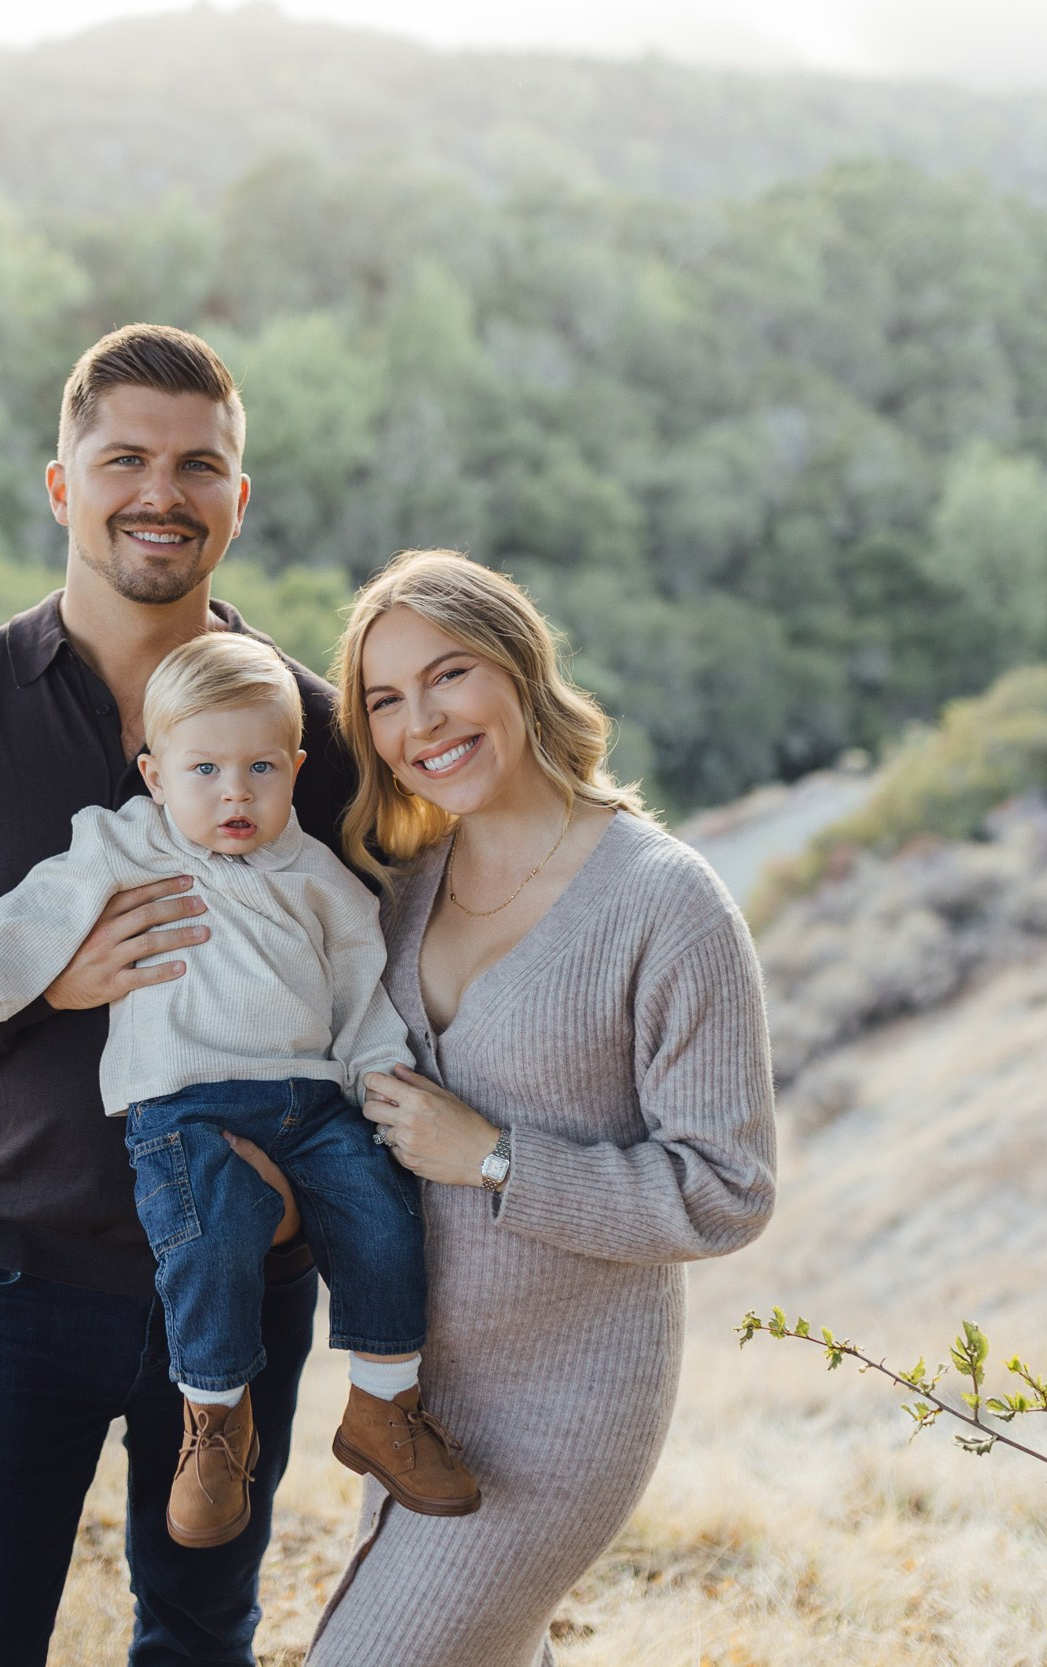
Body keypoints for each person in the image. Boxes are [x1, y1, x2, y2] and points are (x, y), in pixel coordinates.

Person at [0, 324, 345, 1665]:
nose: (162, 491)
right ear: (61, 485)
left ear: (237, 497)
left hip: (241, 1281)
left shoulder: (315, 732)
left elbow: (397, 978)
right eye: (125, 460)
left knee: (200, 1642)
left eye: (197, 464)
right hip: (6, 1277)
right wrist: (39, 983)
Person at [278, 548, 779, 1666]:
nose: (421, 722)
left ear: (519, 666)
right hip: (406, 1398)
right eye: (384, 699)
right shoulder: (401, 892)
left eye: (448, 674)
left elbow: (728, 1191)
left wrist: (496, 1158)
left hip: (563, 1407)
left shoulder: (666, 903)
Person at [0, 630, 480, 1550]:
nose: (234, 793)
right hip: (185, 1103)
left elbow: (360, 992)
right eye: (204, 769)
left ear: (296, 769)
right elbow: (35, 914)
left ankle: (384, 1405)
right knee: (208, 1239)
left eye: (260, 768)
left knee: (380, 1213)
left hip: (312, 1100)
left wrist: (378, 1074)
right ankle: (212, 1420)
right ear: (155, 774)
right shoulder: (129, 843)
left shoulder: (320, 878)